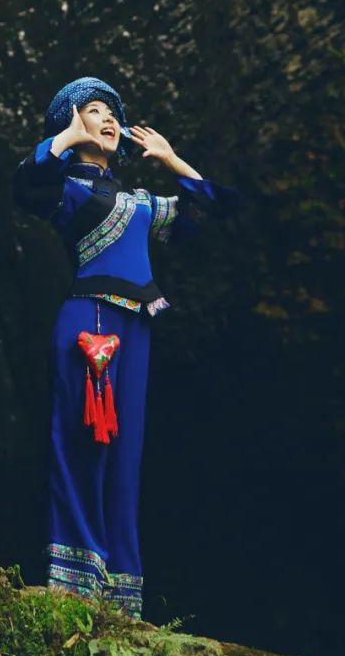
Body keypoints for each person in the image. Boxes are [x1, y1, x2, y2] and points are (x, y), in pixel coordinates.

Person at [13, 75, 237, 620]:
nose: (111, 120)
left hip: (136, 328)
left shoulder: (140, 202)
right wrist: (65, 136)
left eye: (114, 112)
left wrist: (171, 158)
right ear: (71, 120)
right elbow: (26, 185)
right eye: (95, 110)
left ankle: (119, 590)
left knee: (124, 456)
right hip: (89, 327)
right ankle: (74, 583)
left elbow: (215, 210)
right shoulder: (67, 191)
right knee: (83, 442)